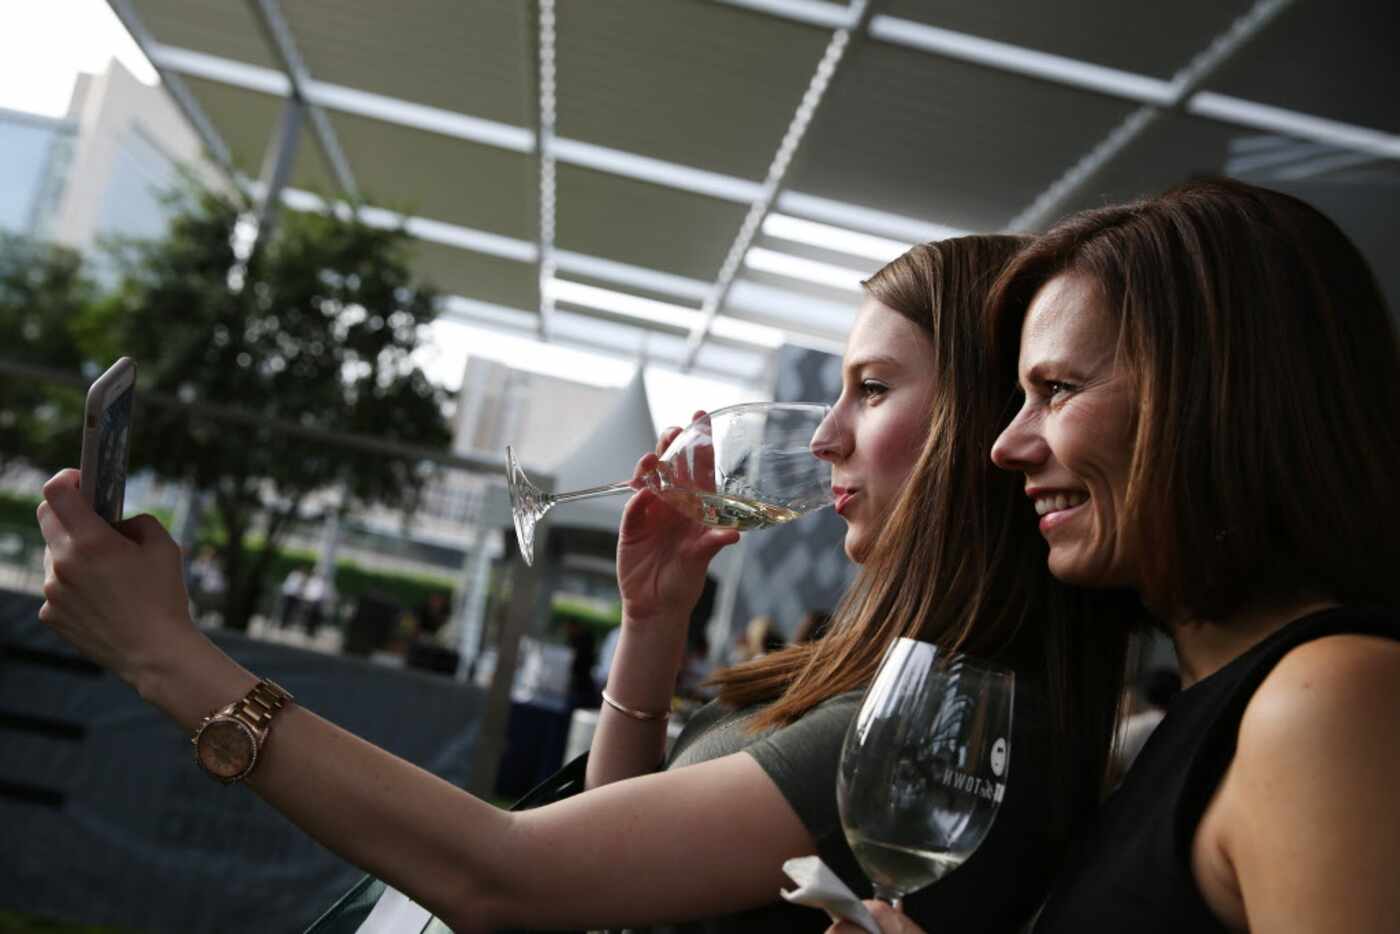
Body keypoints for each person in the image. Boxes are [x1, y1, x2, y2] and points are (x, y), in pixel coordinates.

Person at [35, 236, 1132, 933]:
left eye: (873, 388)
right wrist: (650, 631)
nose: (830, 433)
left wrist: (166, 657)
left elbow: (507, 880)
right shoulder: (881, 684)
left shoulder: (933, 727)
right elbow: (609, 876)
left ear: (985, 427)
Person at [831, 179, 1400, 934]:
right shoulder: (1224, 702)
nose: (1006, 446)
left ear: (1215, 395)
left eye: (1057, 389)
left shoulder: (1328, 696)